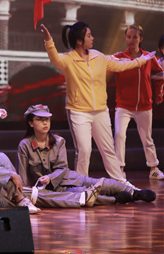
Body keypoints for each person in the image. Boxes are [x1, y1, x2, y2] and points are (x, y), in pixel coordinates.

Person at [40, 22, 154, 183]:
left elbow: (121, 65)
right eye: (89, 36)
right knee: (84, 150)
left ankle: (121, 183)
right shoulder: (68, 60)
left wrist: (141, 60)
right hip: (78, 112)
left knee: (108, 150)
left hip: (100, 111)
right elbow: (55, 58)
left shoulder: (98, 56)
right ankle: (82, 184)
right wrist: (48, 40)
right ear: (79, 41)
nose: (92, 38)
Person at [17, 104, 156, 206]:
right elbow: (21, 177)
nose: (45, 123)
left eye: (47, 119)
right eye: (40, 119)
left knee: (101, 183)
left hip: (68, 178)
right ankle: (116, 199)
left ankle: (134, 193)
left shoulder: (59, 141)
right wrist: (25, 193)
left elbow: (62, 168)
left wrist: (50, 177)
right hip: (50, 190)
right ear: (31, 123)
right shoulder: (25, 145)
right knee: (83, 195)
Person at [113, 25, 164, 180]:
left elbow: (159, 73)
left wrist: (157, 89)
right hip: (123, 105)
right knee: (119, 135)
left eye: (135, 37)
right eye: (129, 37)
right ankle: (120, 169)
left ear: (140, 39)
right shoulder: (118, 57)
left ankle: (153, 168)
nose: (132, 40)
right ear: (125, 38)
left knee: (147, 138)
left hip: (144, 105)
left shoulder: (148, 57)